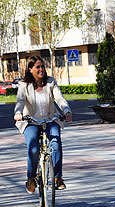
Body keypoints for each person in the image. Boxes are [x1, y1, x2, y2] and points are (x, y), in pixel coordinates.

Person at [14, 56, 72, 194]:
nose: (41, 69)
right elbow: (20, 101)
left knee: (56, 143)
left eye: (42, 66)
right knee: (33, 147)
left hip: (50, 119)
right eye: (38, 67)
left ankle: (58, 177)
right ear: (30, 69)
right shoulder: (24, 84)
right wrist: (18, 113)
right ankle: (31, 178)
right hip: (31, 121)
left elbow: (59, 98)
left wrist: (66, 110)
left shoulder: (50, 82)